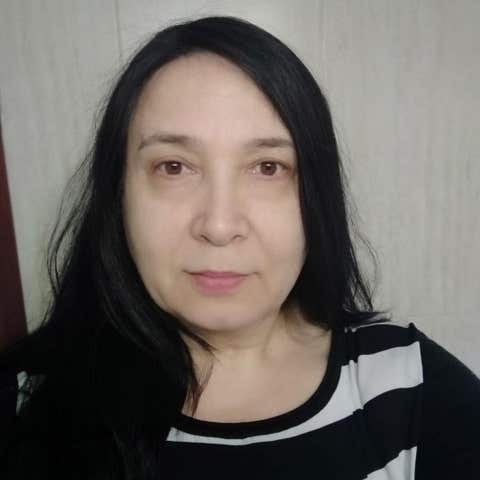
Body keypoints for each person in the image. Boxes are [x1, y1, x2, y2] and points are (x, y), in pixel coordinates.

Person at [0, 15, 479, 480]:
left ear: (317, 196)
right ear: (118, 194)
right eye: (173, 167)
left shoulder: (408, 386)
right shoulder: (26, 400)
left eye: (268, 167)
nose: (219, 225)